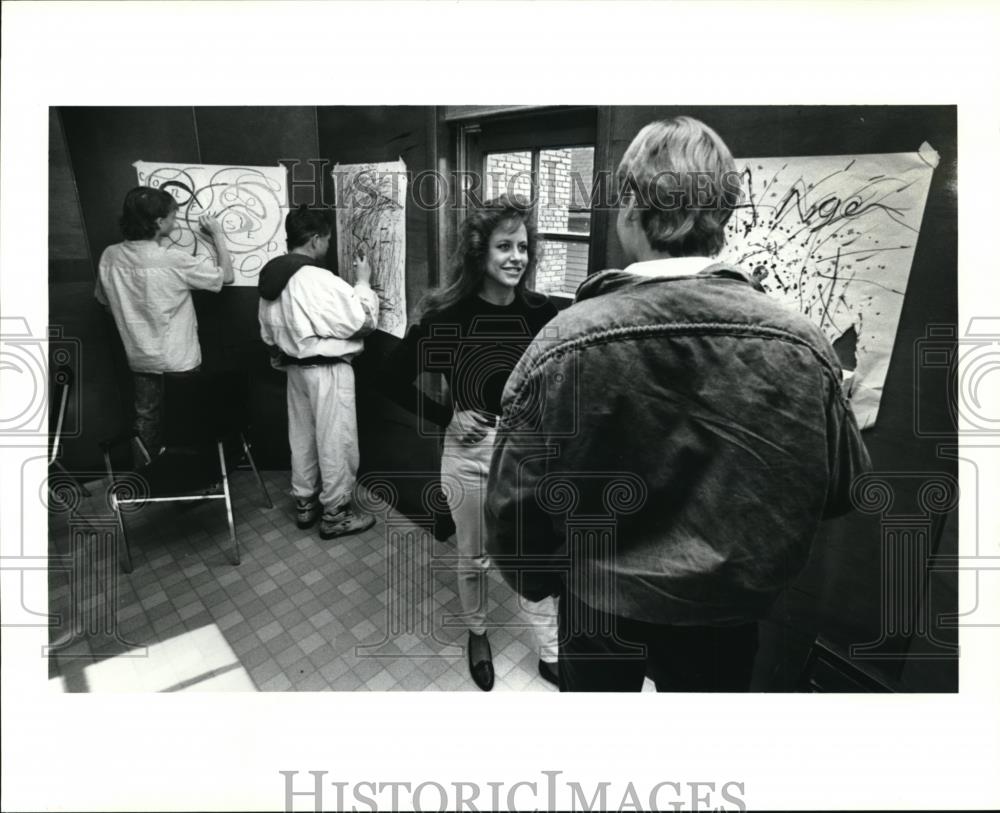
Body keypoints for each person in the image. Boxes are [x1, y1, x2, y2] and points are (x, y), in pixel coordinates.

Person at [485, 117, 872, 692]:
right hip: (726, 614)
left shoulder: (563, 342)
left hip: (598, 603)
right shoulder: (802, 344)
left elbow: (515, 508)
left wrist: (543, 581)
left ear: (630, 210)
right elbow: (844, 488)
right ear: (721, 215)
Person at [381, 195, 561, 691]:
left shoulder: (540, 313)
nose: (516, 257)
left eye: (523, 247)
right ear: (480, 252)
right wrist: (447, 417)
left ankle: (551, 651)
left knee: (533, 554)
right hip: (471, 454)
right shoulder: (450, 317)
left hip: (525, 453)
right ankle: (478, 635)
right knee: (475, 556)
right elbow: (391, 379)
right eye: (504, 246)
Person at [258, 205, 379, 540]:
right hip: (327, 371)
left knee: (304, 438)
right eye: (326, 239)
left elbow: (268, 335)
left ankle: (305, 503)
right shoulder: (317, 279)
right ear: (313, 240)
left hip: (295, 372)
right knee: (336, 442)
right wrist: (364, 283)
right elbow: (362, 322)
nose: (327, 245)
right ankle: (336, 514)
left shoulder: (272, 275)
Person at [95, 186, 234, 456]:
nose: (176, 221)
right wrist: (217, 234)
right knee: (188, 418)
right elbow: (225, 276)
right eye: (173, 216)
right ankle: (191, 479)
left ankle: (145, 482)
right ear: (159, 223)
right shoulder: (172, 259)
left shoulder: (109, 256)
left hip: (140, 358)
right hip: (179, 361)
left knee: (146, 420)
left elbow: (105, 303)